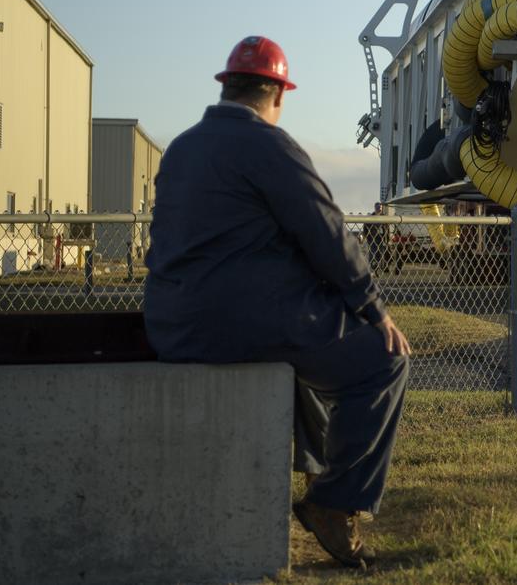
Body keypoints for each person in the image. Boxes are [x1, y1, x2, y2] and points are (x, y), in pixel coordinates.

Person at [144, 36, 410, 569]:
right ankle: (334, 502)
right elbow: (328, 234)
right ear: (278, 96)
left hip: (172, 325)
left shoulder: (182, 147)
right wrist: (374, 310)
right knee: (385, 360)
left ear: (227, 86)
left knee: (301, 350)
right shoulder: (269, 145)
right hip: (241, 324)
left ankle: (317, 473)